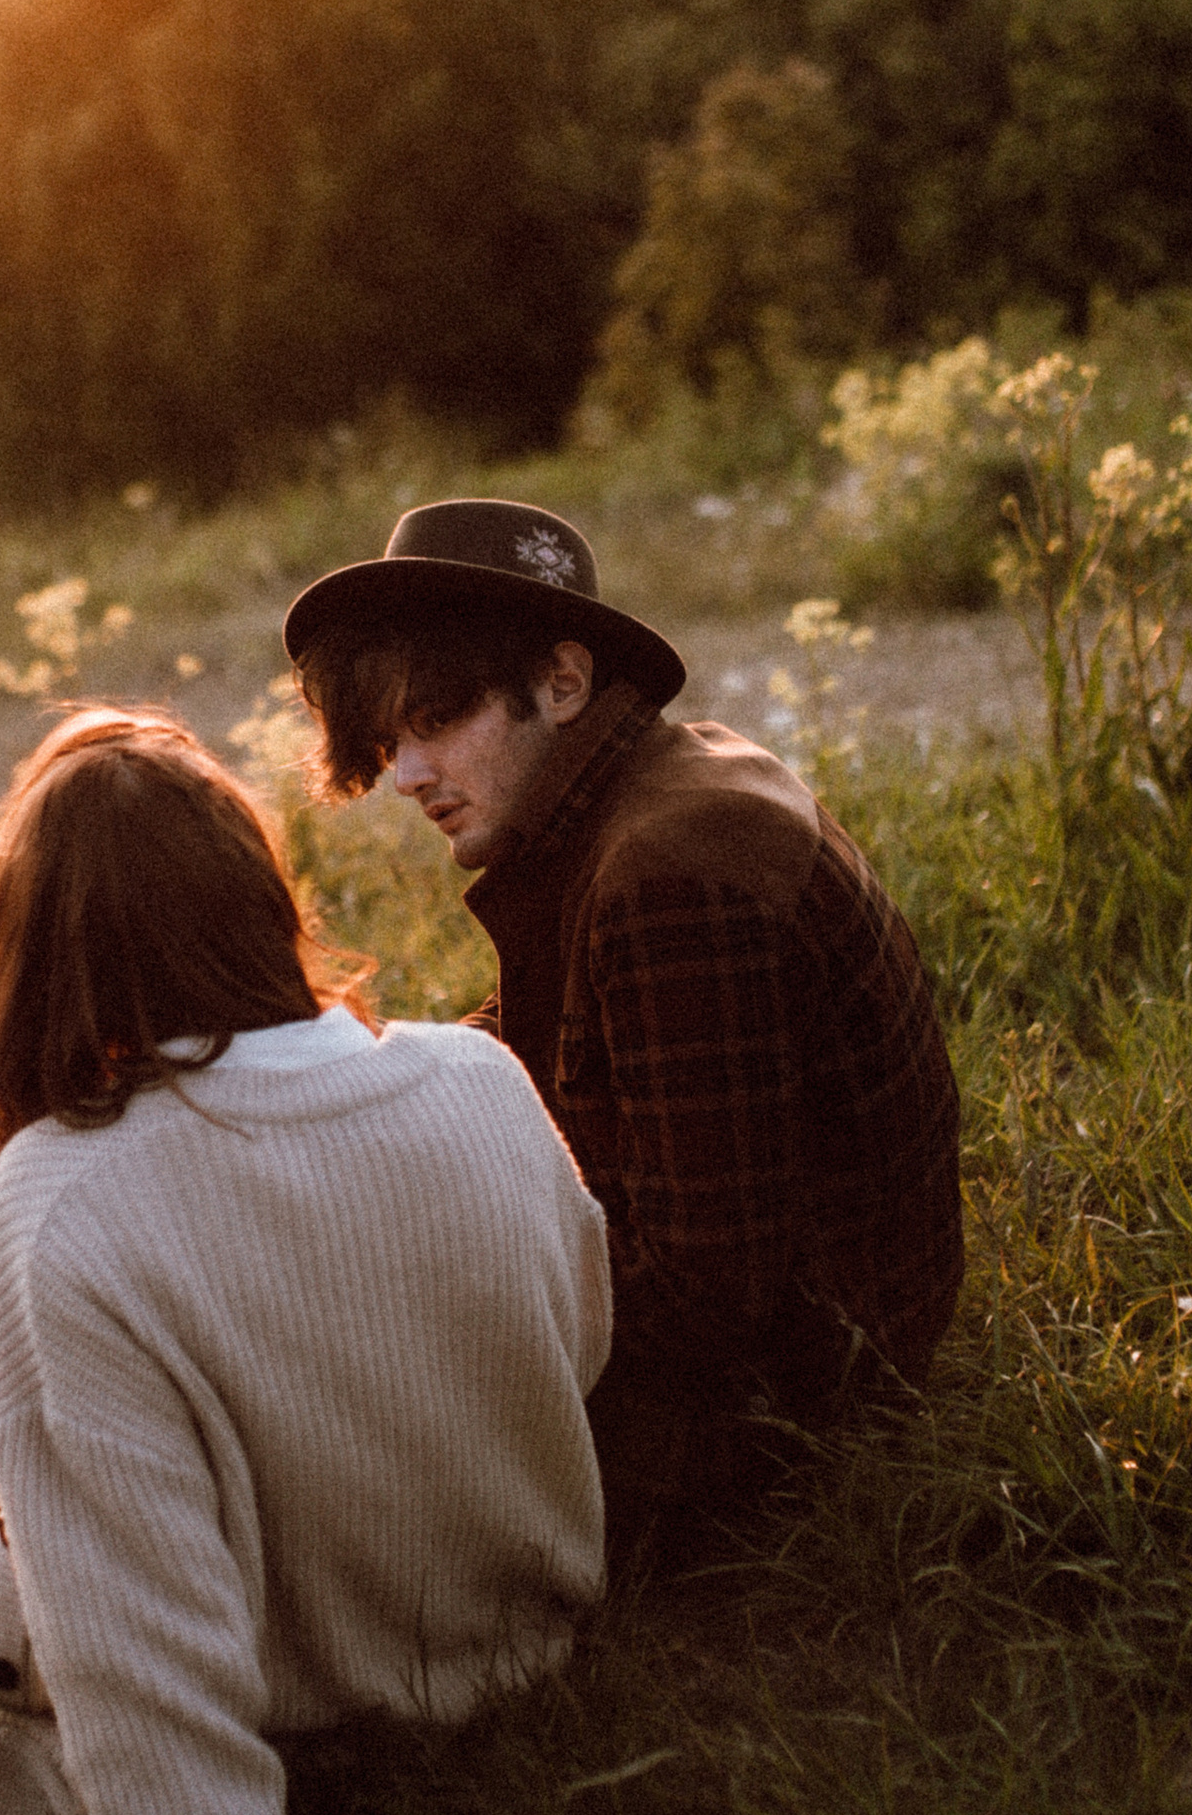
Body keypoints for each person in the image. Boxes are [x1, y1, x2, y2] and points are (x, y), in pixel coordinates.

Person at [0, 707, 610, 1815]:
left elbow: (143, 1662)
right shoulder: (474, 1078)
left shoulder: (60, 1197)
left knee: (2, 1546)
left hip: (317, 1710)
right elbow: (582, 1342)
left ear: (31, 951)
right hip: (534, 1654)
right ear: (261, 896)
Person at [284, 500, 961, 1572]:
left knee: (308, 1426)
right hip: (818, 1330)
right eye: (386, 740)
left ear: (561, 682)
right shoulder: (651, 784)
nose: (407, 776)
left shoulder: (669, 877)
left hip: (791, 1408)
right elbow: (561, 1035)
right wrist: (364, 1108)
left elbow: (712, 1296)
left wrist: (437, 1304)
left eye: (439, 718)